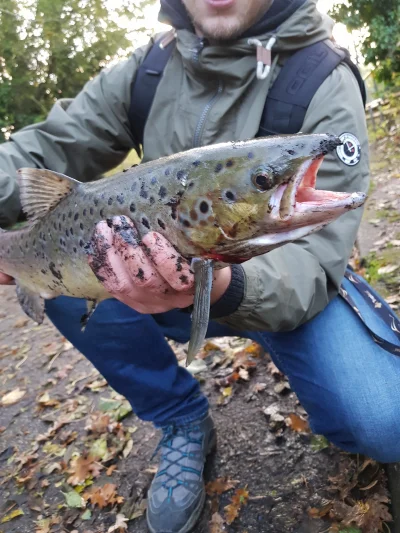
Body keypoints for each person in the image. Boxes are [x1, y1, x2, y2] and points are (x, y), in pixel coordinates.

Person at [0, 1, 399, 532]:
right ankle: (181, 419)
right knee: (73, 275)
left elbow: (317, 261)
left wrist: (227, 284)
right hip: (152, 279)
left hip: (291, 287)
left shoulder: (323, 78)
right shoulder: (147, 70)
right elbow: (44, 148)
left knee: (385, 420)